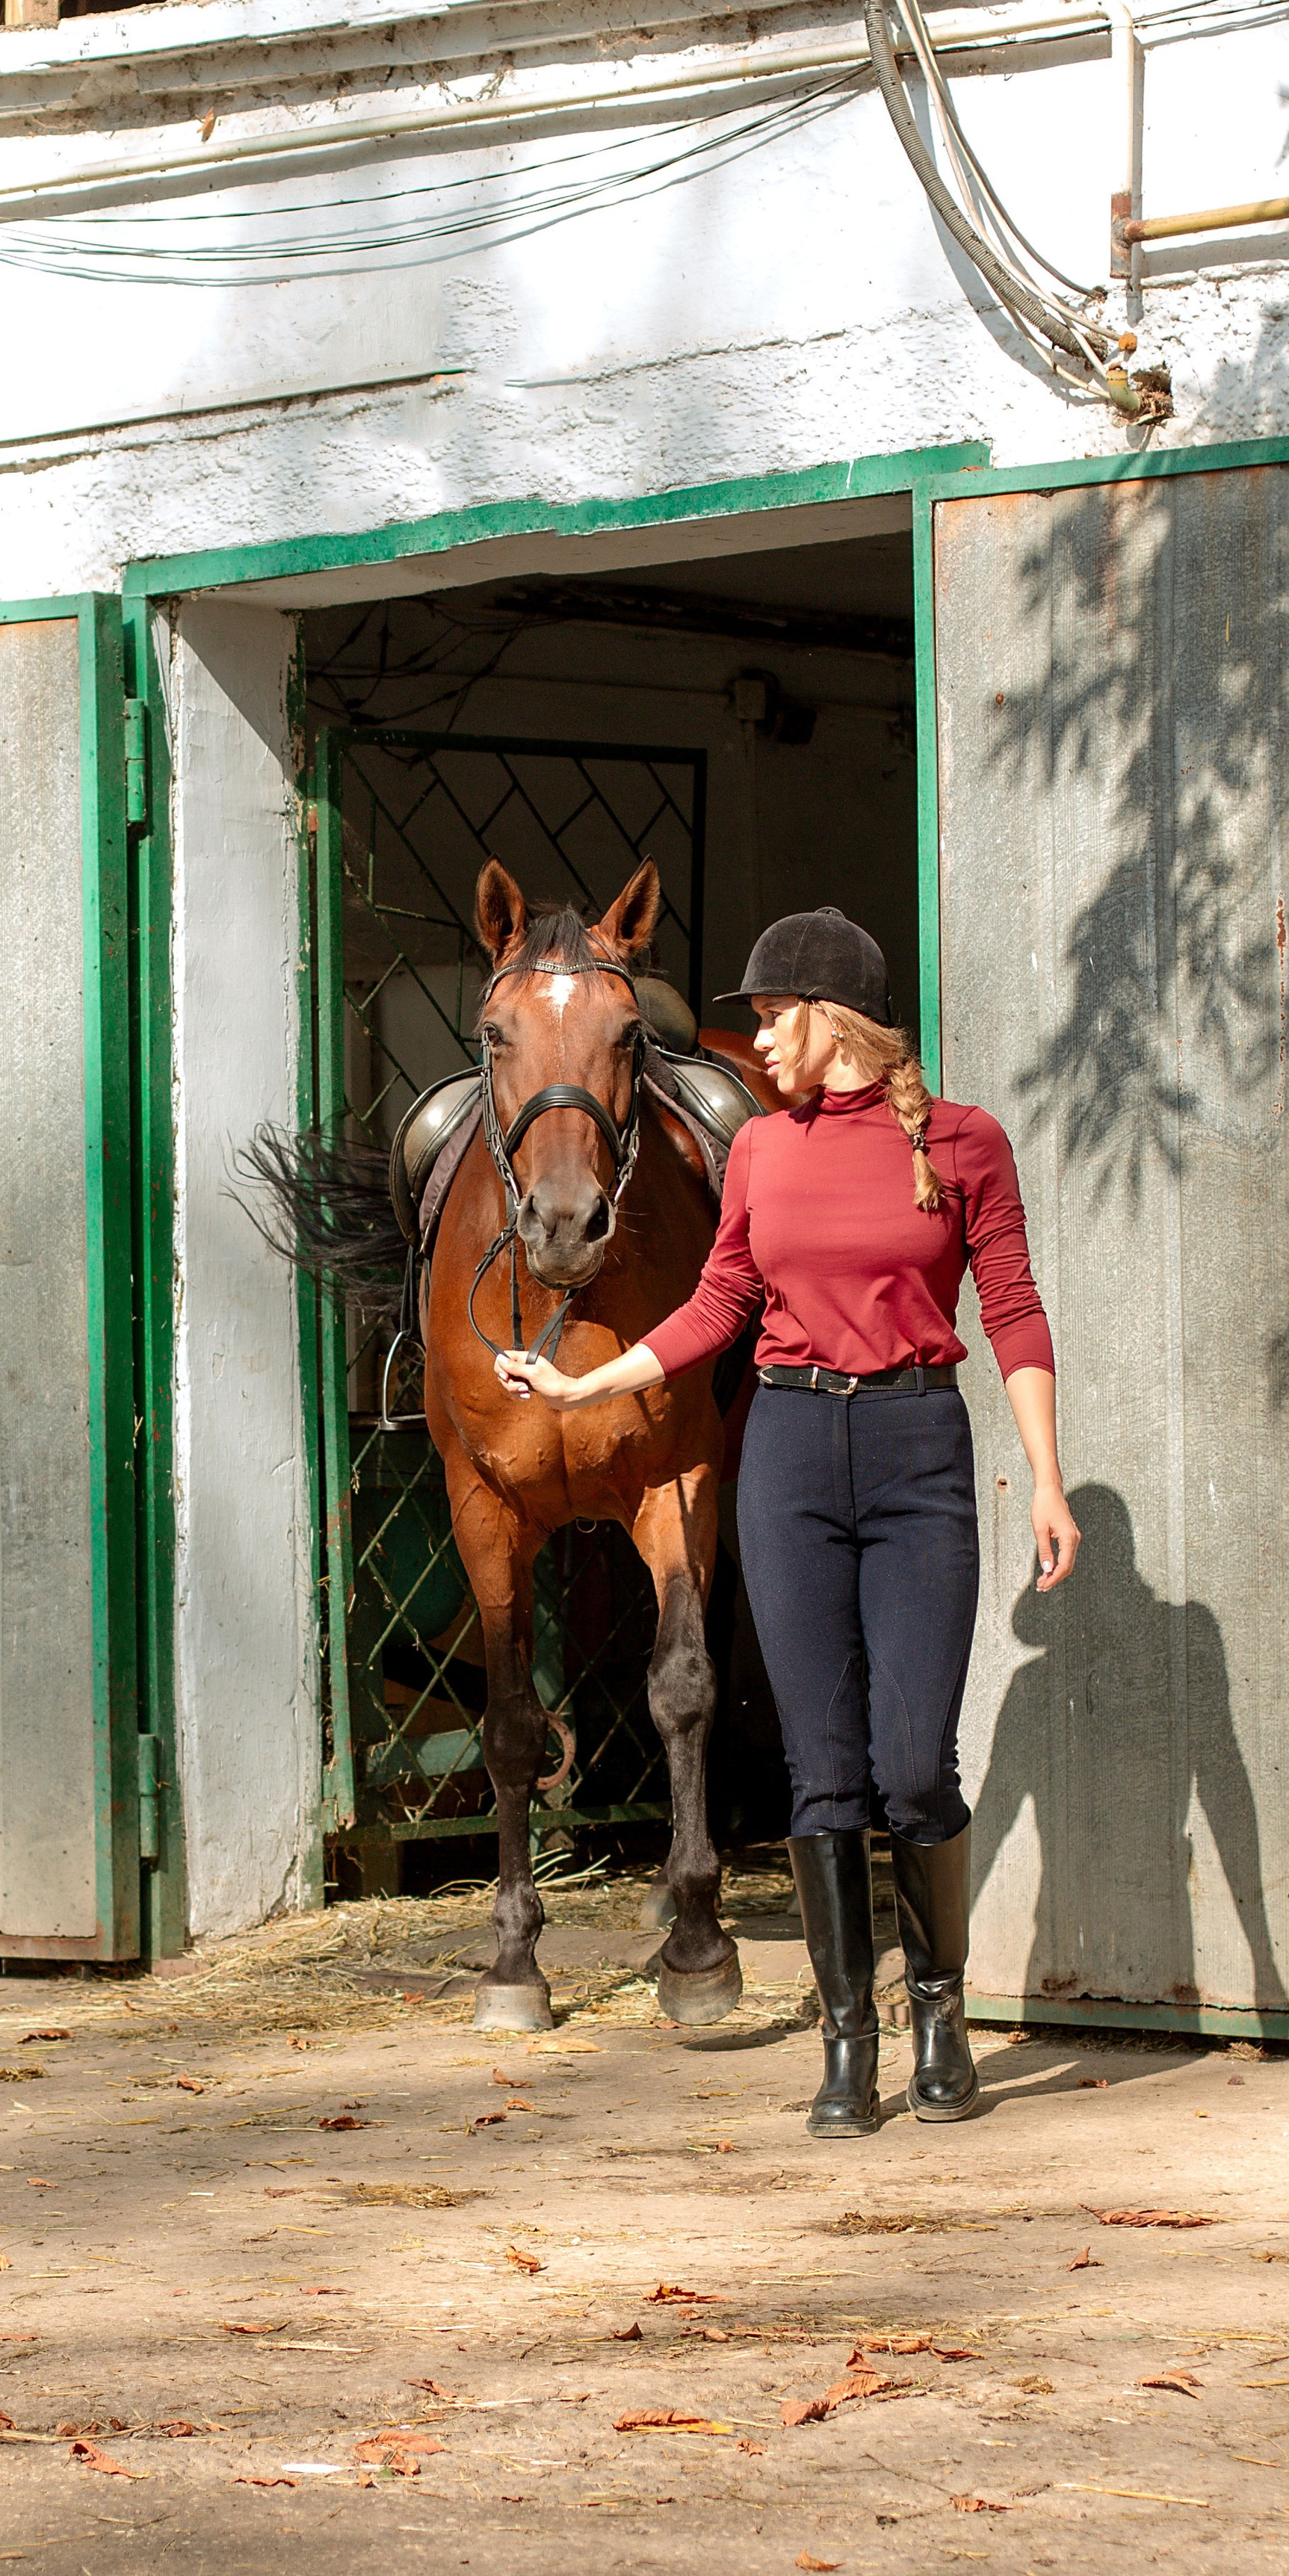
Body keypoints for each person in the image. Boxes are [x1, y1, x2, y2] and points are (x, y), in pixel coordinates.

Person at [495, 906, 1078, 2137]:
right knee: (823, 1770)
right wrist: (584, 1383)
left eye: (771, 1016)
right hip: (795, 1455)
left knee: (915, 1766)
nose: (756, 1042)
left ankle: (938, 2012)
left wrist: (1048, 1479)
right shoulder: (759, 1149)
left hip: (919, 1450)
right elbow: (720, 1304)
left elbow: (1015, 1312)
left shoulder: (966, 1144)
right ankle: (847, 2041)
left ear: (832, 1016)